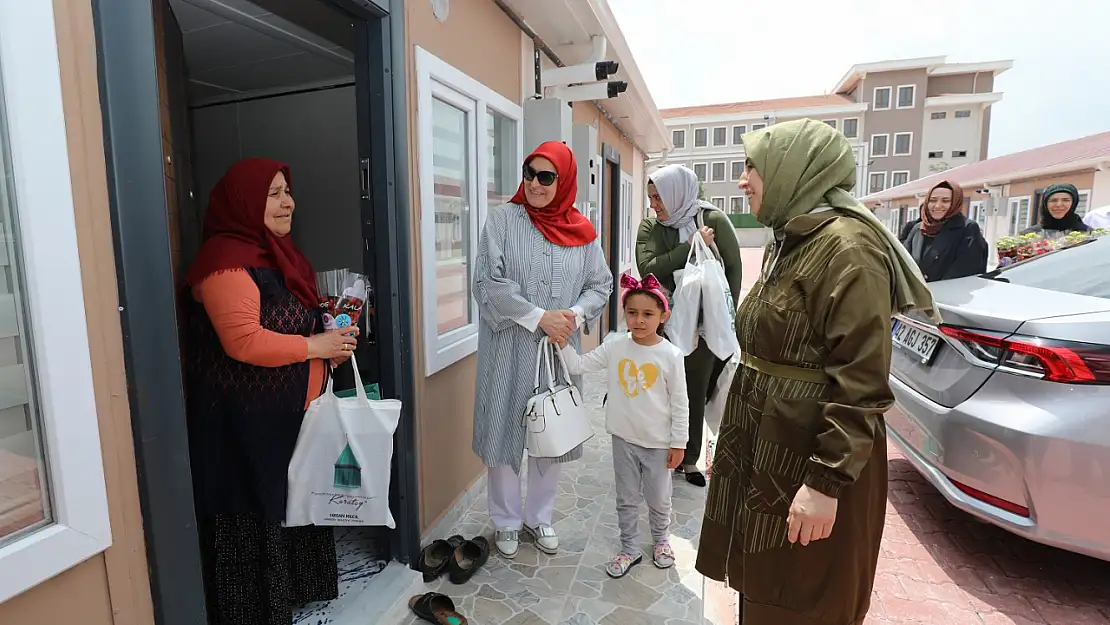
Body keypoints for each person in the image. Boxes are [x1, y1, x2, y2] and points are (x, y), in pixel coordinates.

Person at [696, 119, 937, 625]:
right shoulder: (795, 236)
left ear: (795, 168)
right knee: (766, 589)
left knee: (802, 597)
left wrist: (825, 484)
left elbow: (862, 381)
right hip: (769, 448)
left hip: (808, 458)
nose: (742, 180)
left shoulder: (849, 249)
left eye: (751, 167)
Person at [182, 158, 359, 625]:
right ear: (244, 201)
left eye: (288, 191)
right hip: (243, 424)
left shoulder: (278, 255)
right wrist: (314, 346)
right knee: (254, 509)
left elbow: (296, 329)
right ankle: (256, 610)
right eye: (274, 193)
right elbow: (243, 341)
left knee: (291, 499)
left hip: (286, 417)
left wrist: (330, 350)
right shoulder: (225, 263)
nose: (288, 203)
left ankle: (298, 590)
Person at [472, 141, 613, 559]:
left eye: (546, 176)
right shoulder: (501, 221)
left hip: (557, 350)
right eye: (529, 173)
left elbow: (600, 284)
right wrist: (538, 316)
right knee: (501, 433)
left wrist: (570, 313)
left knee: (551, 430)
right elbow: (487, 282)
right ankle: (506, 522)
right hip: (507, 348)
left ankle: (539, 517)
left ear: (564, 180)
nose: (534, 183)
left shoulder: (583, 233)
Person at [558, 273, 689, 579]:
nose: (639, 321)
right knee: (626, 497)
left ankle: (661, 542)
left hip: (658, 444)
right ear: (624, 314)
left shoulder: (671, 356)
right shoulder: (616, 346)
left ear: (663, 316)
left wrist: (678, 442)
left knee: (659, 498)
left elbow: (681, 403)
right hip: (624, 439)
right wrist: (562, 343)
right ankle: (629, 547)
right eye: (632, 313)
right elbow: (579, 365)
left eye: (647, 314)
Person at [636, 164, 742, 487]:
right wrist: (690, 246)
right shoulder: (650, 228)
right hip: (659, 326)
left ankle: (690, 458)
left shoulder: (713, 220)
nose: (654, 204)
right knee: (657, 391)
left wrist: (722, 320)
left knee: (694, 391)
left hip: (701, 328)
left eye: (659, 198)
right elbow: (649, 270)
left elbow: (732, 272)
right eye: (651, 197)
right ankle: (655, 453)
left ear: (677, 193)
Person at [897, 180, 988, 281]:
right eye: (932, 200)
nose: (937, 205)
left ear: (955, 203)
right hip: (917, 294)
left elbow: (966, 271)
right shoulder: (918, 228)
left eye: (945, 201)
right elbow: (902, 262)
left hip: (948, 294)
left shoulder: (967, 229)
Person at [1021, 183, 1092, 237]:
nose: (1059, 204)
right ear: (1045, 204)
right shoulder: (1029, 235)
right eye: (1053, 200)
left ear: (1074, 204)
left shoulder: (1088, 235)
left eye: (1066, 200)